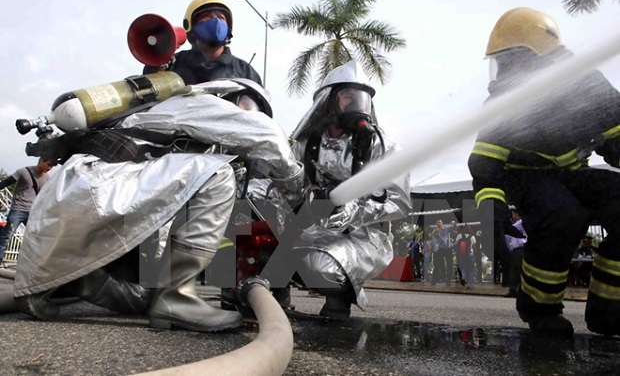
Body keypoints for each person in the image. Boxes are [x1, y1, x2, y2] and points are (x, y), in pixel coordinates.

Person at [12, 77, 304, 334]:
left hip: (74, 196)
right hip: (103, 189)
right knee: (218, 174)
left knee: (144, 297)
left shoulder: (157, 120)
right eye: (249, 107)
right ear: (236, 97)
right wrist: (295, 186)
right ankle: (177, 297)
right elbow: (267, 135)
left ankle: (82, 279)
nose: (246, 114)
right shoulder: (205, 104)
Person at [468, 6, 620, 337]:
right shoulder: (505, 103)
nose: (503, 70)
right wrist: (490, 209)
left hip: (575, 174)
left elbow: (615, 135)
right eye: (501, 62)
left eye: (510, 60)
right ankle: (540, 309)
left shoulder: (587, 85)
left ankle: (611, 308)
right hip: (527, 177)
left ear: (539, 57)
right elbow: (485, 162)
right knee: (562, 214)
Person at [288, 60, 412, 320]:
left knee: (323, 267)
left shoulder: (382, 147)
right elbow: (285, 184)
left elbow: (399, 203)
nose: (358, 106)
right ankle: (274, 302)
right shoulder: (304, 144)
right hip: (309, 229)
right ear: (328, 102)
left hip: (362, 237)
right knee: (262, 250)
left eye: (363, 99)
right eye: (349, 98)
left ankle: (339, 299)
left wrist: (349, 210)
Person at [143, 0, 262, 86]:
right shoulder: (174, 64)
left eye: (221, 17)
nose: (215, 21)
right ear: (191, 26)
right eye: (206, 16)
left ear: (228, 29)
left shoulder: (245, 72)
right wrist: (156, 68)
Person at [0, 158, 55, 265]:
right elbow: (6, 182)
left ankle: (34, 263)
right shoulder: (23, 171)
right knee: (6, 235)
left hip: (33, 212)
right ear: (41, 161)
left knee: (37, 237)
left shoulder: (47, 178)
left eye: (52, 167)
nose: (49, 168)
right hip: (18, 209)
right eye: (48, 164)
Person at [504, 207, 527, 298]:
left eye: (513, 214)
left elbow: (509, 229)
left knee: (518, 270)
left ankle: (517, 290)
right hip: (517, 250)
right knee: (514, 270)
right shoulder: (520, 223)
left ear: (516, 214)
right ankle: (513, 289)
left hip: (521, 249)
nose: (512, 216)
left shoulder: (520, 223)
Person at [431, 219, 456, 286]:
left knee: (449, 265)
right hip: (440, 249)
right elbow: (433, 234)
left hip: (448, 248)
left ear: (442, 223)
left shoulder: (447, 228)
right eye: (437, 223)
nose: (438, 224)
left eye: (440, 222)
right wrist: (437, 232)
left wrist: (453, 222)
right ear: (436, 224)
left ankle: (448, 281)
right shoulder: (435, 230)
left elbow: (454, 226)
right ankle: (434, 280)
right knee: (437, 265)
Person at [454, 224, 476, 288]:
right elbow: (474, 248)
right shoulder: (472, 237)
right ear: (470, 229)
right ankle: (470, 284)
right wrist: (475, 255)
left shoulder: (459, 236)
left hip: (461, 255)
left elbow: (456, 246)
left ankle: (463, 277)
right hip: (470, 255)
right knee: (470, 269)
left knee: (463, 267)